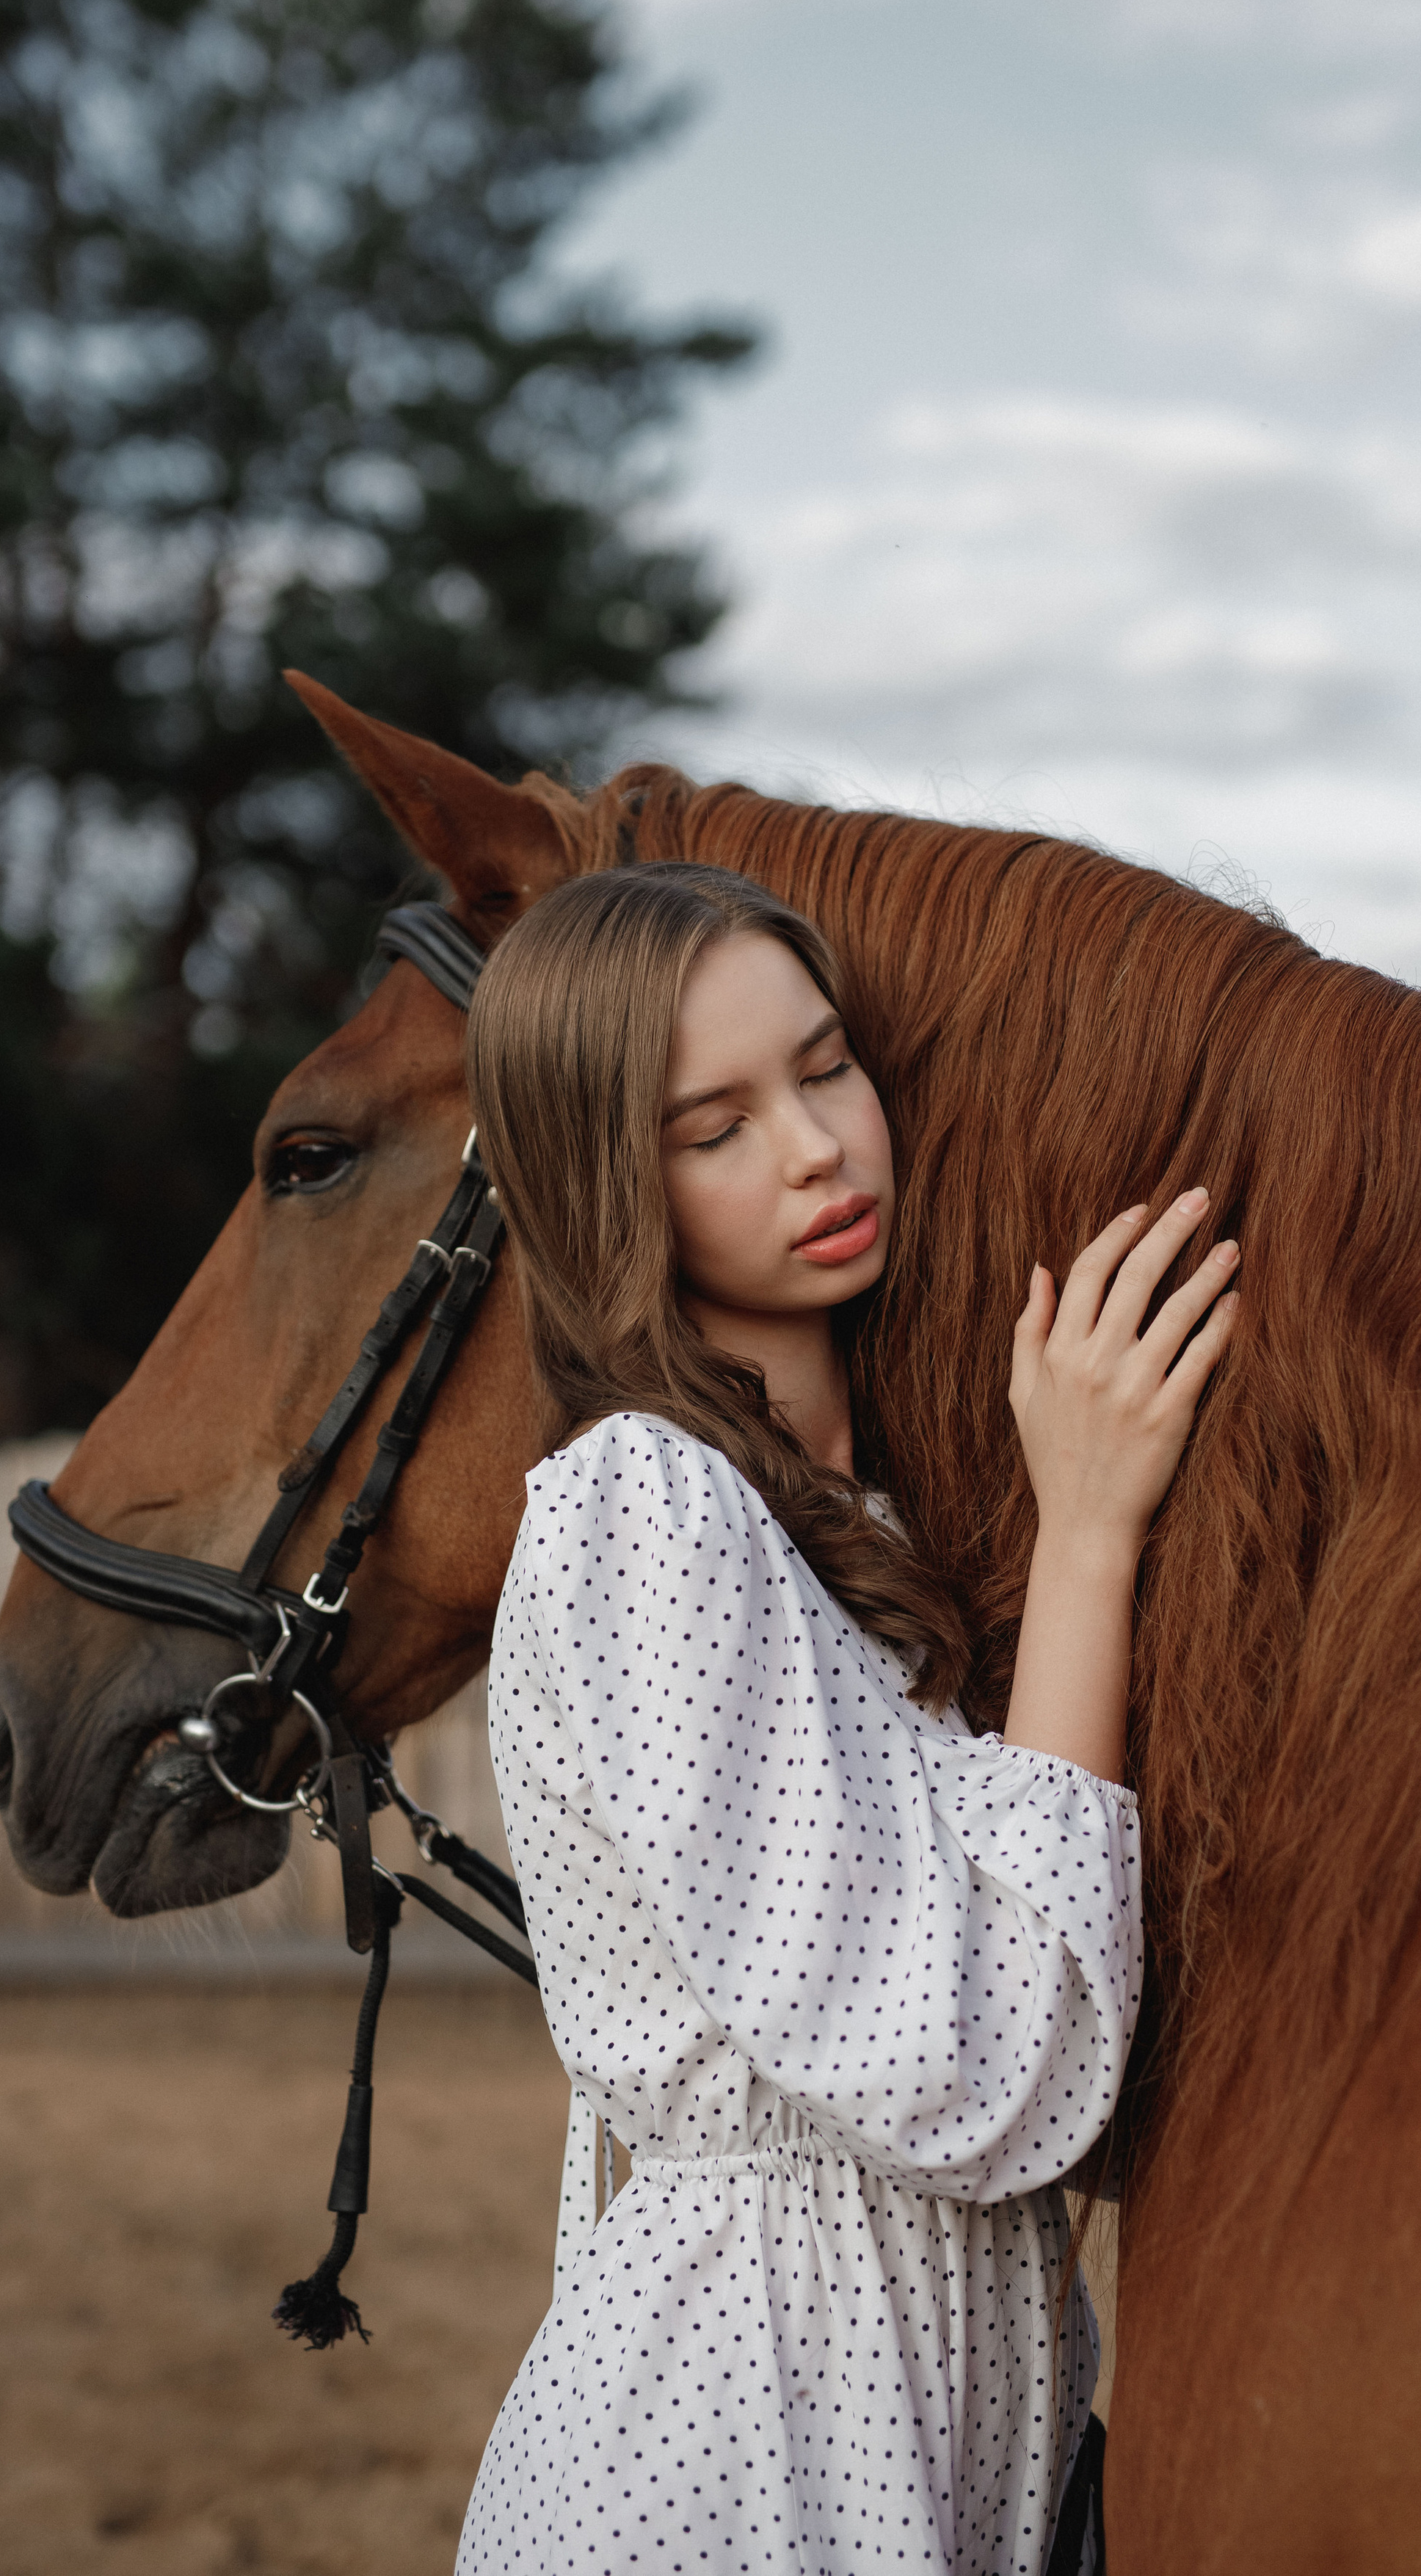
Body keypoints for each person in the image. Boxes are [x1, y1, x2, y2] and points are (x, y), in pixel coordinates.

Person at [453, 863, 1240, 2576]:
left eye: (824, 1068)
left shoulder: (852, 1528)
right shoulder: (644, 1509)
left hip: (927, 2399)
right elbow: (986, 2072)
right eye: (714, 1127)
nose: (816, 1148)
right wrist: (1087, 1530)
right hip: (752, 2430)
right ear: (608, 1184)